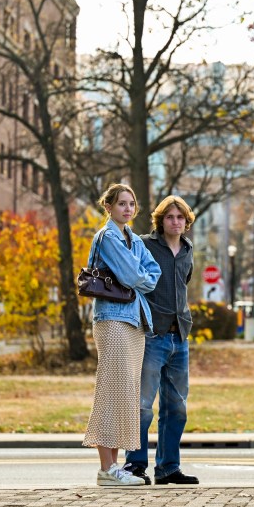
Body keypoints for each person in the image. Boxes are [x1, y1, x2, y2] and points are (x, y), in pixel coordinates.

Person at [82, 183, 161, 487]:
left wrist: (137, 277)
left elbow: (153, 275)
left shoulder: (133, 239)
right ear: (109, 207)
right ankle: (106, 468)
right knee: (112, 390)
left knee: (126, 393)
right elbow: (132, 275)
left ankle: (113, 467)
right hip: (112, 318)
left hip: (135, 321)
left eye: (131, 203)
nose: (127, 209)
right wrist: (137, 277)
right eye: (121, 204)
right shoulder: (108, 236)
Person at [123, 195, 199, 485]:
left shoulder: (189, 249)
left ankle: (168, 467)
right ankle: (135, 465)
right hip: (152, 335)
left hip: (179, 336)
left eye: (180, 217)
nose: (175, 222)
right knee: (143, 405)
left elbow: (184, 284)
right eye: (170, 217)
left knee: (176, 407)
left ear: (186, 222)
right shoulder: (145, 244)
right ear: (161, 220)